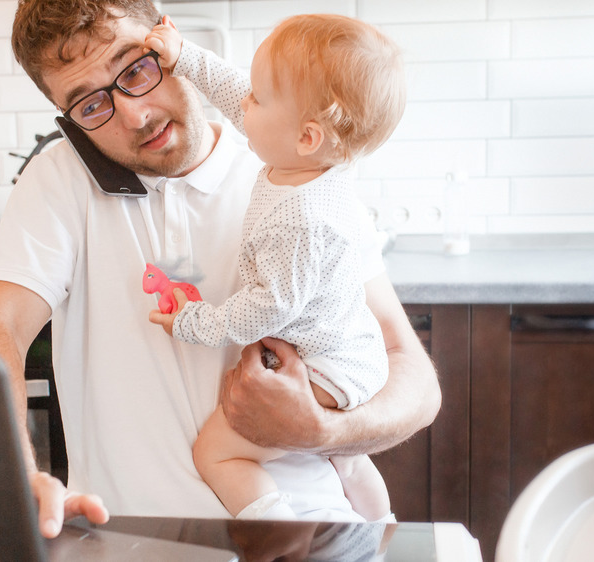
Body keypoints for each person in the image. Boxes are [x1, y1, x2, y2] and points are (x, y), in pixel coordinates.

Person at [0, 0, 440, 538]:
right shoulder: (58, 180)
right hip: (131, 542)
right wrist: (14, 476)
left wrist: (322, 429)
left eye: (136, 70)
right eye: (92, 106)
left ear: (168, 41)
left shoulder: (294, 167)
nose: (135, 115)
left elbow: (410, 374)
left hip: (314, 534)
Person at [144, 14, 405, 522]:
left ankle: (278, 536)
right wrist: (185, 57)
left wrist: (194, 323)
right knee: (346, 463)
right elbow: (235, 91)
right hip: (351, 353)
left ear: (306, 135)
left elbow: (268, 307)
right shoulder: (308, 161)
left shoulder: (300, 218)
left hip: (326, 368)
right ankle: (383, 531)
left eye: (259, 98)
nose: (245, 103)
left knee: (217, 453)